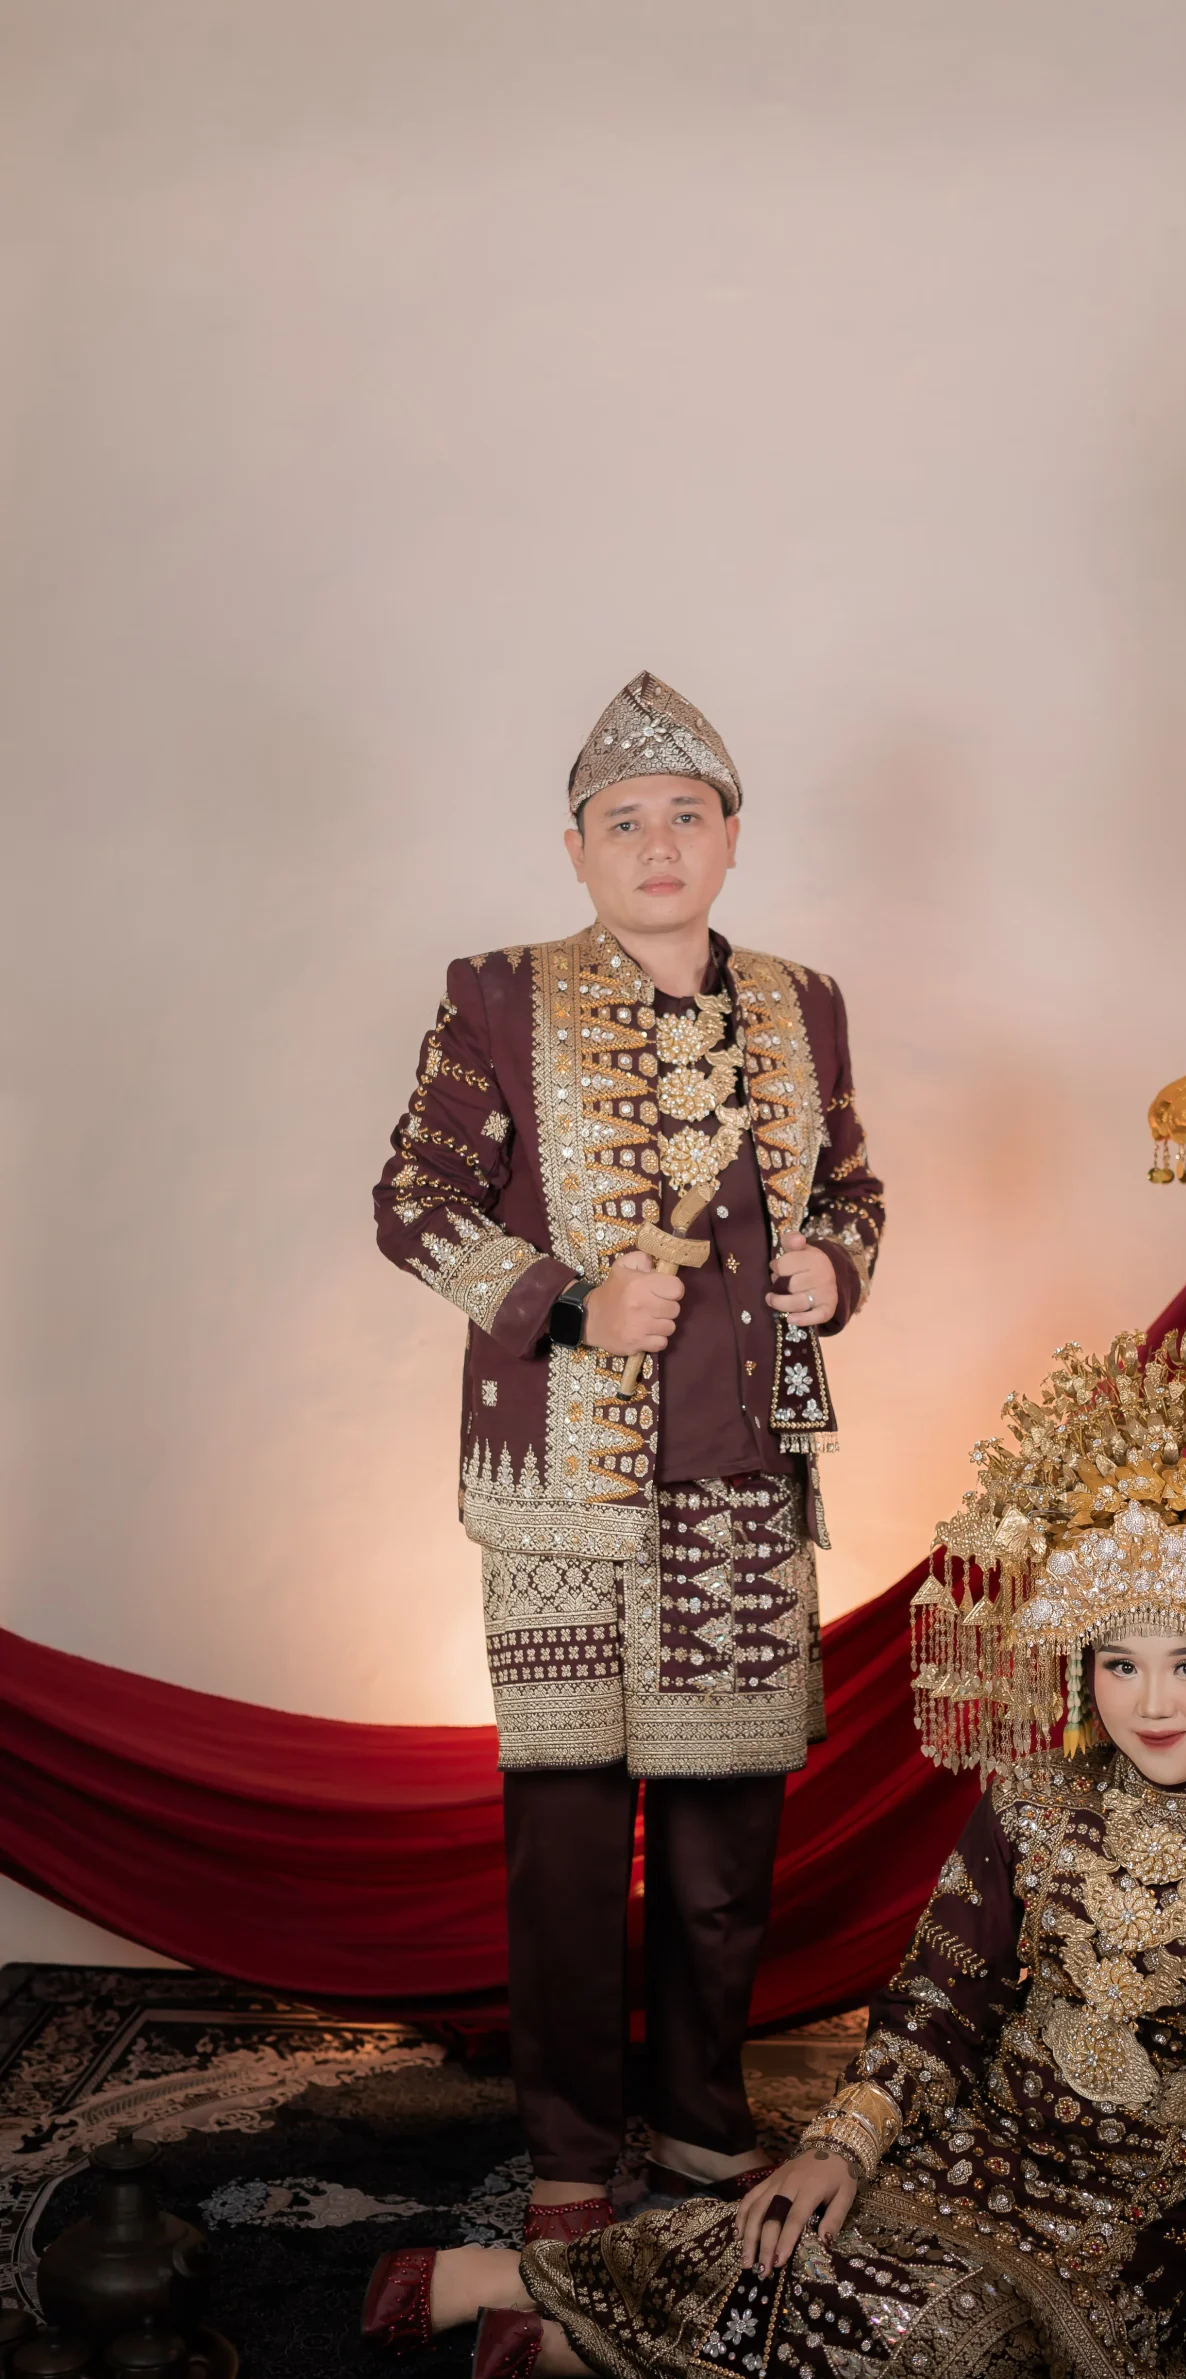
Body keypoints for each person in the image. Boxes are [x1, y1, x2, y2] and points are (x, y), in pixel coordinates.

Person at [362, 1320, 1186, 2379]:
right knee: (787, 2226)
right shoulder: (1032, 1803)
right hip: (972, 2160)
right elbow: (938, 2005)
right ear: (1080, 1664)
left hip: (1138, 2245)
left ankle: (558, 2335)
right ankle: (501, 2287)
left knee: (900, 2340)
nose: (1153, 1701)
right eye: (1119, 1664)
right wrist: (844, 2145)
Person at [372, 671, 884, 2246]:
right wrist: (572, 1304)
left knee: (725, 1841)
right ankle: (571, 2156)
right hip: (563, 1495)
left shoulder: (804, 1003)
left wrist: (837, 1268)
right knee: (571, 1843)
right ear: (576, 851)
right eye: (622, 822)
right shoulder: (496, 997)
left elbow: (852, 1188)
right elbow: (413, 1202)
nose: (656, 845)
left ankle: (707, 2127)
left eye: (684, 816)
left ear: (729, 838)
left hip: (740, 1471)